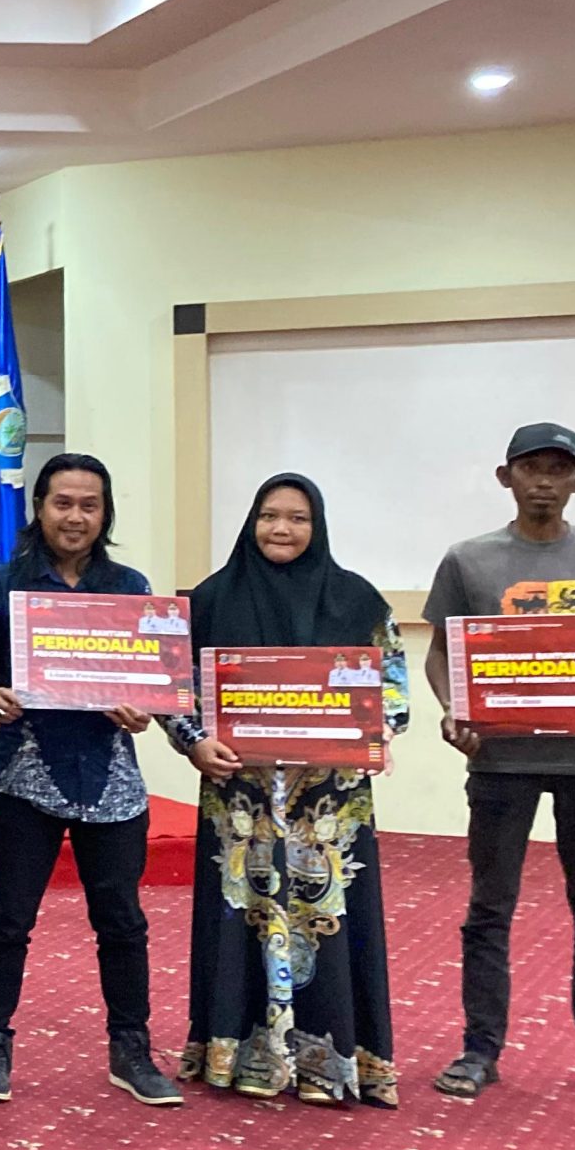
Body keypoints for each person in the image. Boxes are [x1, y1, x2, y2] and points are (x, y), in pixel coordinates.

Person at [424, 423, 575, 1116]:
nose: (545, 482)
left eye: (560, 469)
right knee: (488, 909)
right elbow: (441, 655)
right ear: (507, 477)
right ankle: (480, 1050)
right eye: (532, 468)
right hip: (500, 761)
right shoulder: (468, 560)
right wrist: (454, 709)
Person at [0, 453, 193, 1107]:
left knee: (123, 922)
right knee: (7, 919)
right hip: (25, 778)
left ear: (104, 514)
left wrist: (161, 721)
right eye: (63, 503)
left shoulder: (131, 587)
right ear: (40, 508)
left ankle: (131, 1050)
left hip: (112, 783)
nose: (76, 517)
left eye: (90, 505)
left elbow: (163, 681)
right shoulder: (3, 584)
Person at [174, 474, 409, 1108]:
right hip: (240, 799)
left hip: (328, 805)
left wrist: (379, 731)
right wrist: (194, 740)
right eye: (269, 516)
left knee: (330, 920)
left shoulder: (357, 599)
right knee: (240, 920)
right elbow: (176, 688)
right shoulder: (211, 599)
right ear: (252, 522)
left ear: (317, 525)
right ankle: (236, 1053)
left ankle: (329, 1059)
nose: (282, 529)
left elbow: (392, 684)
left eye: (298, 518)